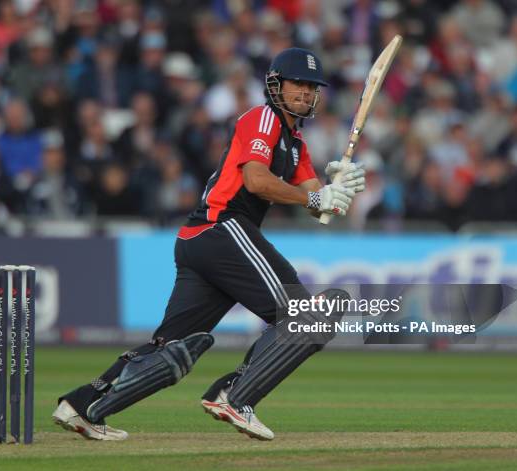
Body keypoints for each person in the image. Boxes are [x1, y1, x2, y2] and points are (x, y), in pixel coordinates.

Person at [52, 48, 366, 441]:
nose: (305, 92)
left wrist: (340, 186)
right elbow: (256, 181)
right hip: (224, 228)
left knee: (172, 349)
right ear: (276, 84)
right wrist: (316, 198)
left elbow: (319, 203)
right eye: (297, 83)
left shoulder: (297, 144)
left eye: (312, 87)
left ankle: (82, 406)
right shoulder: (262, 117)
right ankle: (235, 395)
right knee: (304, 317)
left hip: (201, 241)